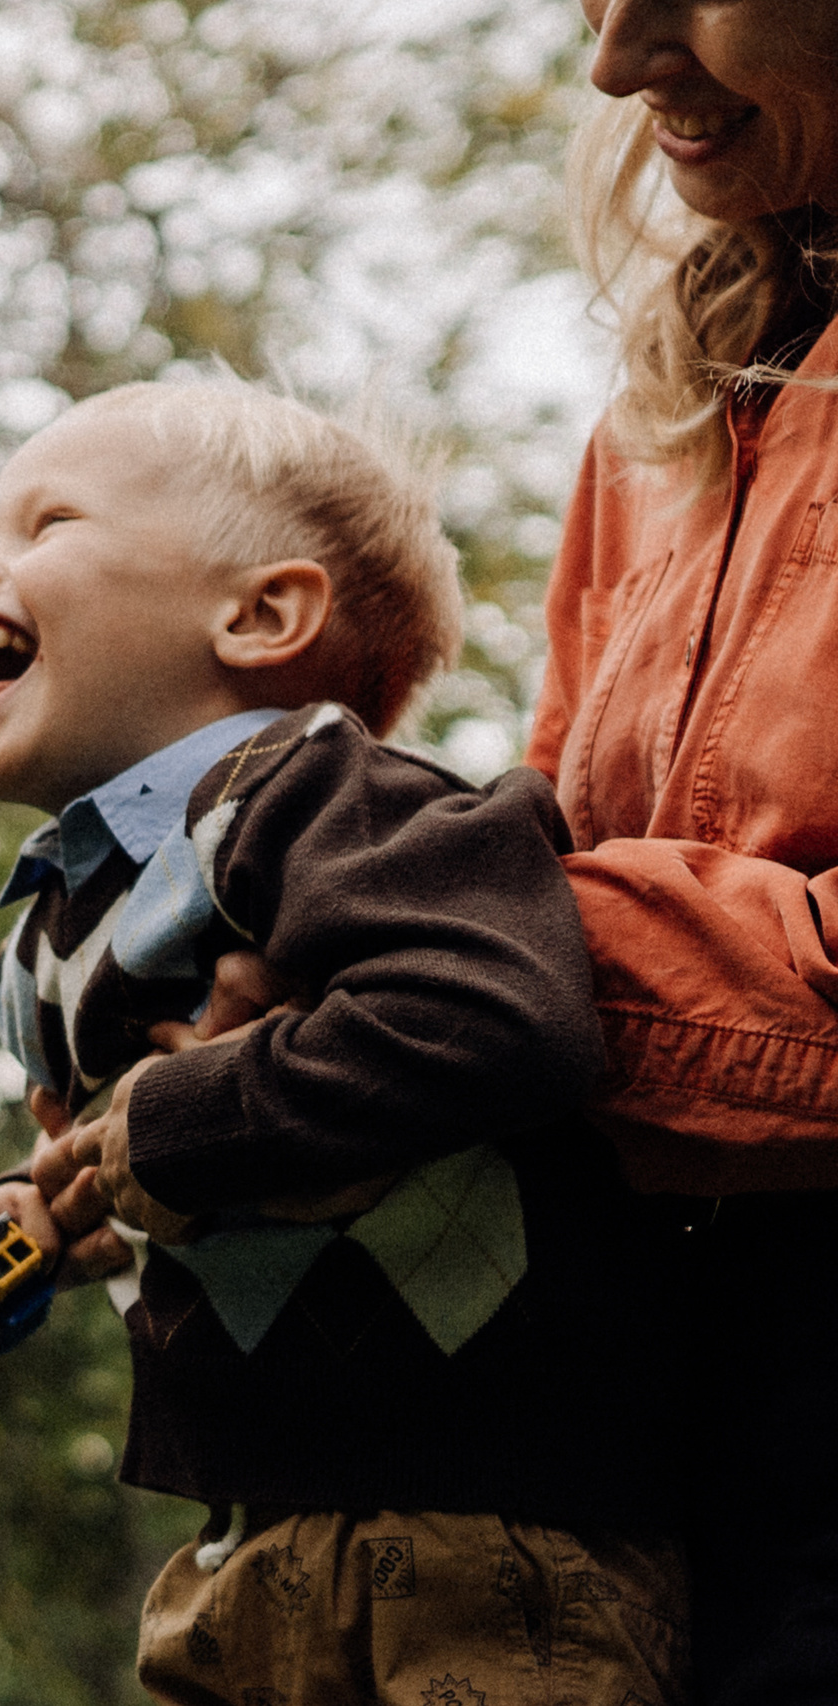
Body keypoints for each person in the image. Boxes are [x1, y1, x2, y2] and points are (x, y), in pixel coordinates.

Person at [0, 381, 690, 1703]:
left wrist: (173, 1122)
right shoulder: (63, 925)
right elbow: (141, 1165)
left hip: (491, 1526)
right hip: (248, 1540)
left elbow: (500, 1012)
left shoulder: (341, 802)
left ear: (262, 615)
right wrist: (19, 1228)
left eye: (44, 523)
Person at [547, 2, 838, 1698]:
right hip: (661, 1424)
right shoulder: (655, 416)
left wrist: (476, 954)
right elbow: (552, 812)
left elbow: (538, 917)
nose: (615, 55)